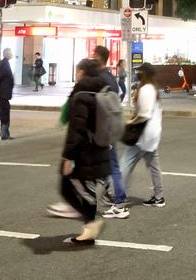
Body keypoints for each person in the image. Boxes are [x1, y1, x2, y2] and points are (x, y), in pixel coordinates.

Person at [56, 58, 113, 245]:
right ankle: (89, 230)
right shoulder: (104, 91)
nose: (75, 74)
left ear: (82, 72)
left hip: (84, 152)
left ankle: (92, 224)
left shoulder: (81, 95)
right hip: (100, 148)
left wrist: (68, 156)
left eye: (77, 70)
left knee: (66, 188)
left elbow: (77, 129)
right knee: (87, 190)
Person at [119, 62, 165, 207]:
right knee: (153, 167)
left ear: (144, 74)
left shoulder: (146, 89)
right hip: (152, 135)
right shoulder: (153, 89)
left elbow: (144, 114)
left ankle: (119, 199)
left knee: (125, 165)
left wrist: (131, 122)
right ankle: (159, 197)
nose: (137, 74)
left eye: (139, 72)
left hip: (142, 135)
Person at [92, 45, 128, 219]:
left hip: (105, 129)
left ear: (99, 57)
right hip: (109, 128)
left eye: (94, 56)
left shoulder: (101, 78)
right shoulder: (109, 77)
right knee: (104, 164)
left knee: (112, 166)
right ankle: (106, 195)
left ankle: (120, 203)